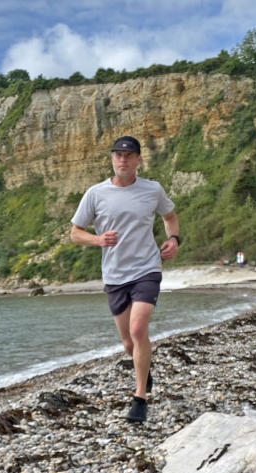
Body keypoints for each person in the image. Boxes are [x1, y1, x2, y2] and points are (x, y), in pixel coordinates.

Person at [69, 135, 180, 423]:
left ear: (139, 160)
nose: (123, 159)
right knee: (129, 343)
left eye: (129, 155)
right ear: (112, 159)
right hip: (115, 275)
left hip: (147, 268)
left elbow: (170, 216)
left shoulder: (152, 190)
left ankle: (139, 398)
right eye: (118, 154)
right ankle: (144, 367)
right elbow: (74, 232)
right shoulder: (95, 193)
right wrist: (98, 239)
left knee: (139, 328)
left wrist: (173, 239)